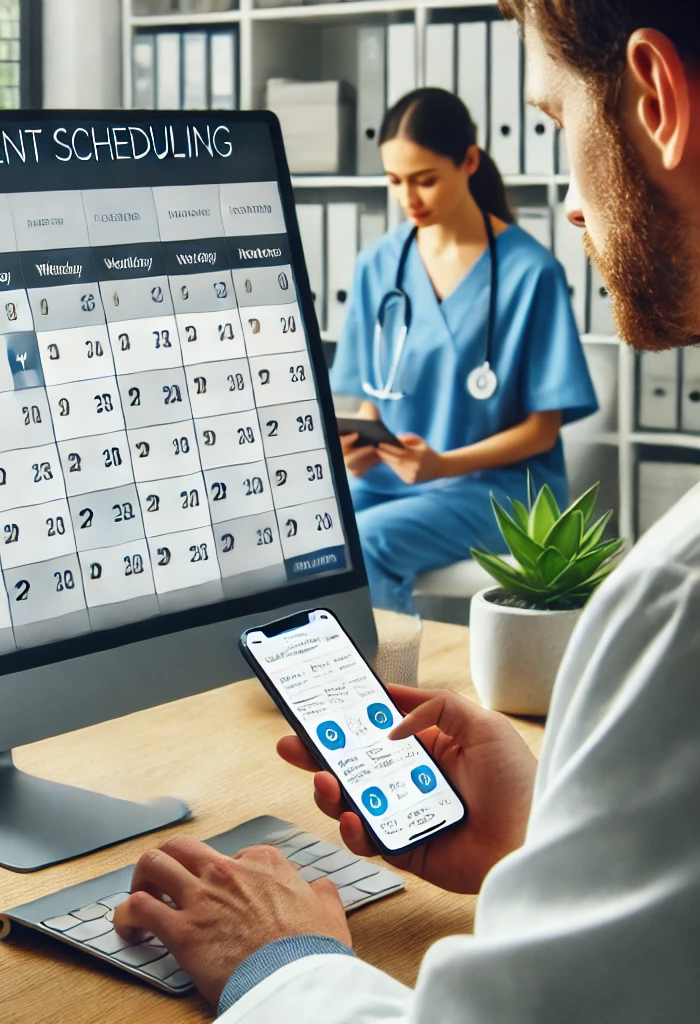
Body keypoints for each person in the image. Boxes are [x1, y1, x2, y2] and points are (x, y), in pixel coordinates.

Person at [113, 4, 700, 1020]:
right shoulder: (385, 267)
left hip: (487, 485)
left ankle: (358, 680)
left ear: (656, 99)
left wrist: (280, 960)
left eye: (556, 117)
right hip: (405, 469)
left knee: (370, 536)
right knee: (313, 516)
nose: (566, 201)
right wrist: (539, 831)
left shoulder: (675, 609)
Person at [329, 88, 597, 612]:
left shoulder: (530, 272)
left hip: (494, 492)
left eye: (426, 180)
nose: (410, 199)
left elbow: (541, 430)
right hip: (393, 477)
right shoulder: (376, 265)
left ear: (469, 161)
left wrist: (443, 465)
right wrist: (358, 452)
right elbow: (372, 401)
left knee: (363, 544)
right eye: (395, 182)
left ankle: (385, 686)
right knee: (310, 539)